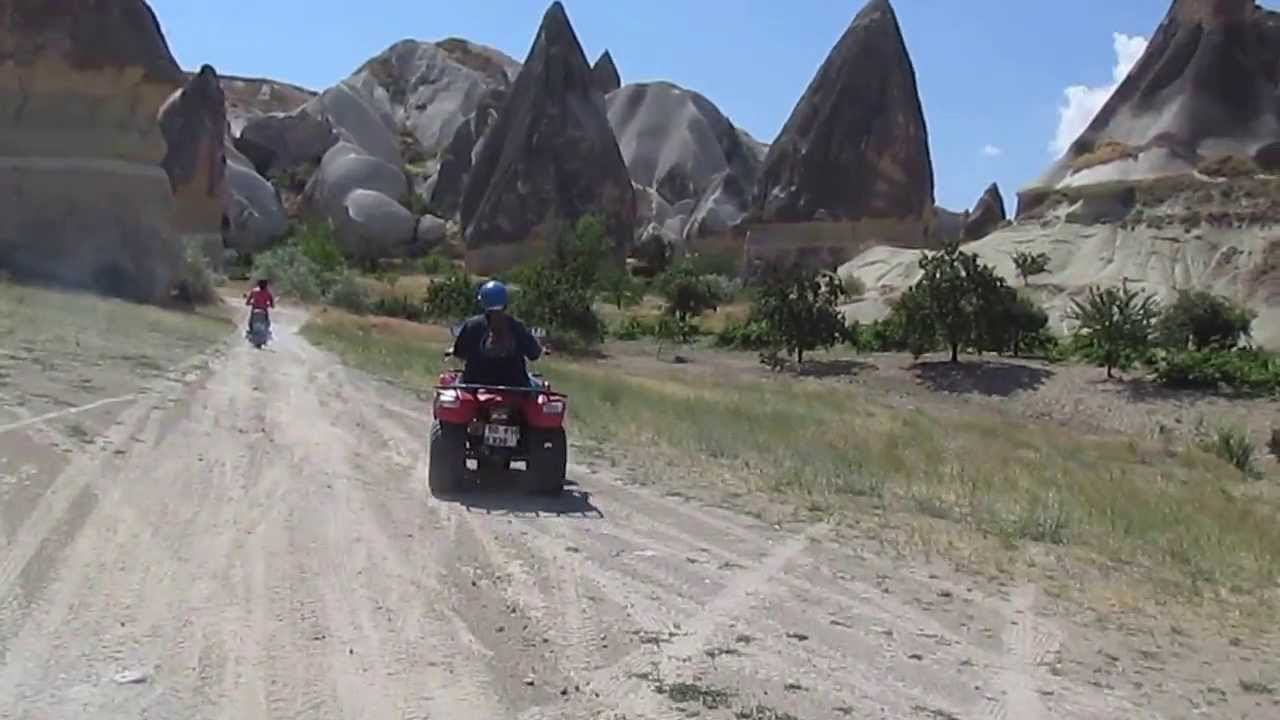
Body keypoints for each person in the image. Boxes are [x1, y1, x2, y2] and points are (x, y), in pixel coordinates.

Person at [452, 280, 544, 388]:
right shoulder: (517, 326)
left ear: (482, 302)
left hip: (474, 385)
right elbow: (534, 354)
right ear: (505, 302)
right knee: (539, 386)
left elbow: (459, 353)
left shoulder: (472, 325)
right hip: (515, 388)